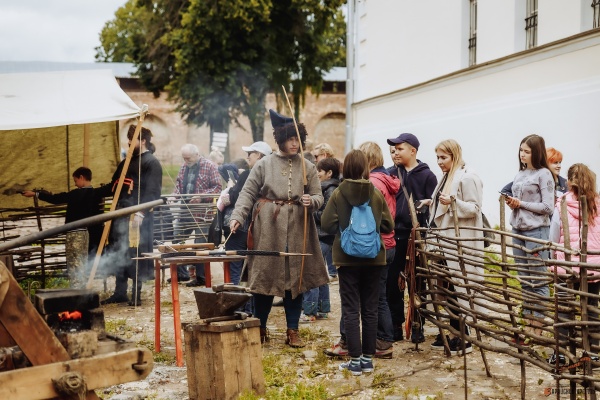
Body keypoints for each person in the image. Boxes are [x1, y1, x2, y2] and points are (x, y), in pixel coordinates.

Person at [229, 109, 329, 348]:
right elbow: (247, 193)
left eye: (298, 139)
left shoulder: (308, 166)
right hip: (268, 229)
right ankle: (260, 328)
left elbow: (318, 196)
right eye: (290, 139)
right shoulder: (264, 164)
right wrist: (237, 217)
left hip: (297, 228)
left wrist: (311, 201)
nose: (295, 144)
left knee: (294, 282)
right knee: (264, 280)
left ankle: (292, 330)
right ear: (281, 139)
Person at [321, 149, 394, 376]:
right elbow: (388, 226)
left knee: (351, 309)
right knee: (371, 309)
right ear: (365, 168)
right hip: (374, 258)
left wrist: (344, 230)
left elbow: (326, 224)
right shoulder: (374, 192)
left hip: (347, 259)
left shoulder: (339, 193)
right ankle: (368, 360)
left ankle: (354, 362)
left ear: (346, 168)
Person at [424, 139, 484, 355]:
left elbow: (475, 208)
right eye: (438, 157)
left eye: (444, 157)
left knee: (460, 287)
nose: (439, 162)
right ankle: (452, 333)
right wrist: (431, 202)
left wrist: (453, 203)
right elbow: (443, 202)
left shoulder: (468, 177)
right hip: (445, 241)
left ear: (455, 155)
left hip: (461, 241)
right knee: (448, 288)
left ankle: (464, 336)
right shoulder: (446, 177)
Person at [100, 125, 163, 306]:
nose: (128, 142)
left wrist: (141, 213)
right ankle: (120, 292)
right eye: (128, 138)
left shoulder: (151, 163)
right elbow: (114, 186)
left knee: (136, 252)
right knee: (120, 251)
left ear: (142, 141)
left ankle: (137, 293)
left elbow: (152, 193)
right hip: (120, 216)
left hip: (137, 217)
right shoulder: (125, 162)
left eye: (132, 139)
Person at [386, 133, 437, 343]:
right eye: (394, 149)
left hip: (417, 236)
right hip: (394, 234)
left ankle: (417, 326)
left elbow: (433, 209)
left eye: (400, 149)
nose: (395, 153)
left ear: (413, 151)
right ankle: (395, 326)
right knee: (391, 282)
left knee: (418, 283)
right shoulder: (390, 174)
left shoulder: (427, 176)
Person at [549, 163, 600, 365]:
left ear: (569, 182)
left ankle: (561, 354)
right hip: (593, 269)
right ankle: (593, 353)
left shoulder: (562, 202)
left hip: (566, 268)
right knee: (591, 308)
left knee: (563, 310)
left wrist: (553, 257)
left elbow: (554, 234)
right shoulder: (598, 204)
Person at [504, 134, 554, 341]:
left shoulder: (545, 174)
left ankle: (538, 328)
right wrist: (512, 203)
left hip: (536, 230)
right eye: (521, 150)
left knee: (538, 280)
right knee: (525, 279)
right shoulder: (520, 173)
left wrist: (521, 204)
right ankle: (528, 325)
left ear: (536, 152)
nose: (522, 154)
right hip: (518, 229)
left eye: (526, 151)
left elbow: (547, 206)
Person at [22, 167, 104, 288]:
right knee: (81, 264)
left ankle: (77, 294)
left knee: (74, 265)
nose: (75, 184)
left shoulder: (78, 193)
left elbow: (57, 198)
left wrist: (36, 194)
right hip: (85, 233)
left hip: (75, 234)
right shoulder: (94, 193)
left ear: (81, 177)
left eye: (76, 181)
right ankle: (82, 291)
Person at [359, 141, 400, 356]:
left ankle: (383, 340)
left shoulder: (373, 182)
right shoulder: (386, 179)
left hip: (378, 242)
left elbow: (370, 216)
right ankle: (383, 339)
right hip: (389, 242)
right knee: (380, 294)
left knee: (377, 296)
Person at [218, 141, 272, 286]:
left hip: (242, 226)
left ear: (259, 155)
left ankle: (238, 302)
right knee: (252, 267)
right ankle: (249, 304)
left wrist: (230, 188)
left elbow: (237, 197)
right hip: (260, 227)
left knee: (236, 267)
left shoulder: (249, 174)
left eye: (250, 154)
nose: (247, 157)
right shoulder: (272, 175)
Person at [172, 144, 222, 286]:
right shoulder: (184, 166)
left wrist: (201, 196)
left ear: (197, 154)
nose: (186, 161)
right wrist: (174, 196)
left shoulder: (210, 166)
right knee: (177, 239)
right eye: (184, 158)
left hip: (202, 212)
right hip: (185, 211)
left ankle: (201, 278)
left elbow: (218, 187)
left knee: (200, 244)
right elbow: (178, 186)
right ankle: (181, 273)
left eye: (188, 158)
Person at [301, 157, 341, 323]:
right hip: (324, 236)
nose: (317, 174)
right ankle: (322, 309)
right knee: (321, 272)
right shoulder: (328, 188)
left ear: (329, 173)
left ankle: (310, 311)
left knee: (311, 272)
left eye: (320, 171)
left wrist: (310, 210)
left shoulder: (330, 190)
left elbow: (326, 216)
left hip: (322, 236)